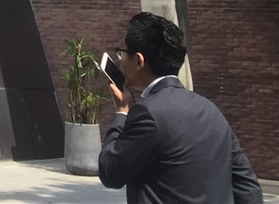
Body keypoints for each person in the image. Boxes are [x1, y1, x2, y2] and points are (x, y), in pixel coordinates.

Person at [98, 11, 262, 203]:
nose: (120, 60)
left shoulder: (148, 113)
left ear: (139, 60)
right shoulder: (211, 110)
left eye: (123, 53)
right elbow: (248, 188)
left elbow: (111, 172)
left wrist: (122, 112)